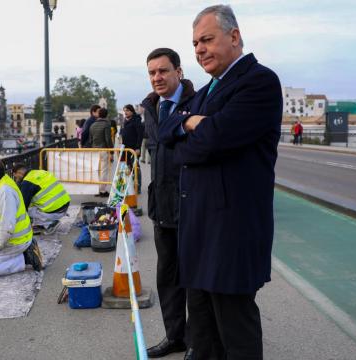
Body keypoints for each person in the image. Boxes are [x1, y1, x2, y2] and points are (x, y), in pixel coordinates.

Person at [160, 5, 282, 359]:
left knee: (235, 332)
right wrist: (189, 123)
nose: (199, 49)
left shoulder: (258, 81)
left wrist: (195, 130)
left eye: (207, 39)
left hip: (231, 232)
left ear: (234, 36)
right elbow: (168, 132)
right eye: (196, 43)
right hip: (199, 232)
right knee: (201, 332)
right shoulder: (207, 91)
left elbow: (212, 141)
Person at [142, 47, 195, 358]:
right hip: (161, 207)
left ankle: (197, 342)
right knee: (168, 279)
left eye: (163, 71)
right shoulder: (151, 107)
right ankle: (174, 336)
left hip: (190, 207)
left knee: (196, 283)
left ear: (178, 71)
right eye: (152, 72)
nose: (157, 78)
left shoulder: (197, 104)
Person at [12, 163, 71, 235]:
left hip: (55, 211)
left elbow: (23, 206)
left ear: (19, 173)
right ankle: (44, 222)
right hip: (65, 205)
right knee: (33, 201)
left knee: (26, 208)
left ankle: (49, 224)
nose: (16, 180)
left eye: (16, 177)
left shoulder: (27, 182)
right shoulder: (41, 172)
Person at [89, 107, 114, 197]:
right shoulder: (106, 124)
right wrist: (111, 152)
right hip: (103, 149)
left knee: (97, 170)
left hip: (94, 149)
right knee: (104, 170)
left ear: (99, 115)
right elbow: (108, 139)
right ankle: (102, 190)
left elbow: (90, 139)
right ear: (106, 115)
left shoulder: (92, 125)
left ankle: (96, 189)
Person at [120, 104, 144, 194]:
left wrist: (138, 147)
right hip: (126, 148)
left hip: (134, 148)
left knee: (136, 168)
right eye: (124, 110)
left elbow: (140, 135)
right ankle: (129, 186)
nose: (125, 112)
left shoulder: (136, 120)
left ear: (132, 111)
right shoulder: (125, 121)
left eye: (127, 110)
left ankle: (138, 187)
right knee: (127, 167)